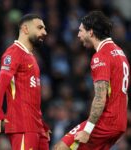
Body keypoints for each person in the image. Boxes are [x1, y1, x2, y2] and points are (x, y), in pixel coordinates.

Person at [53, 11, 130, 150]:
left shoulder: (101, 56)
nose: (78, 35)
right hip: (119, 123)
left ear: (91, 32)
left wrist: (87, 130)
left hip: (106, 121)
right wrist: (119, 127)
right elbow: (124, 95)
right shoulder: (120, 53)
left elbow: (100, 98)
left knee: (60, 147)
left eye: (81, 30)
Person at [0, 14, 50, 150]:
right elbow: (1, 85)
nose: (44, 32)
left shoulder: (31, 57)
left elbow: (32, 96)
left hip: (37, 127)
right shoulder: (13, 53)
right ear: (25, 29)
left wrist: (41, 123)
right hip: (22, 125)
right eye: (40, 28)